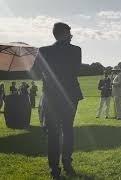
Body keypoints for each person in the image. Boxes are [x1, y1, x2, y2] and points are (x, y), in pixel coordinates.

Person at [32, 22, 83, 179]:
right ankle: (67, 163)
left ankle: (54, 169)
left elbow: (35, 73)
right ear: (65, 33)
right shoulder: (76, 50)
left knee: (53, 133)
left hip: (51, 95)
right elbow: (76, 70)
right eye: (70, 32)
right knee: (68, 129)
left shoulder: (43, 51)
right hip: (70, 95)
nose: (71, 34)